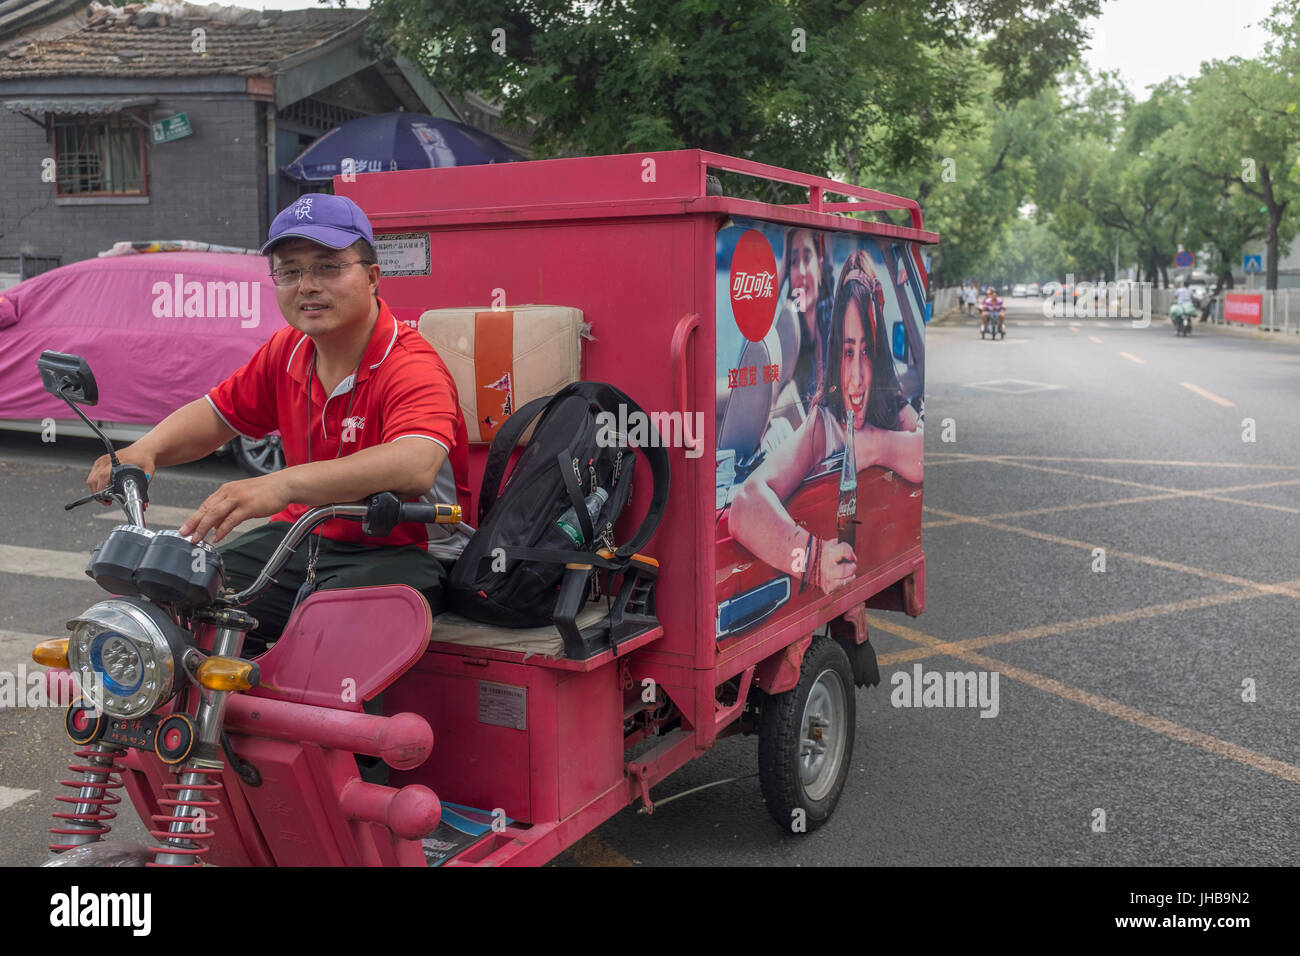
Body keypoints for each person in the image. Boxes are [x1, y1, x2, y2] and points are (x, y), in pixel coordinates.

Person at [86, 193, 471, 655]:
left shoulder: (410, 363)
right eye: (290, 270)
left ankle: (328, 726)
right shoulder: (287, 350)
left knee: (331, 627)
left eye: (328, 267)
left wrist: (282, 485)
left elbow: (415, 463)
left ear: (371, 278)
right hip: (305, 536)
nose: (307, 285)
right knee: (182, 591)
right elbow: (217, 414)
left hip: (408, 550)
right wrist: (145, 450)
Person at [729, 250, 922, 594]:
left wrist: (875, 444)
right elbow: (745, 505)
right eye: (849, 352)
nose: (857, 379)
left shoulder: (890, 404)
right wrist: (814, 561)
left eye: (867, 351)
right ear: (836, 354)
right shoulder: (825, 422)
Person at [782, 227, 836, 411]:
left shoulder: (836, 323)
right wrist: (782, 273)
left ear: (820, 268)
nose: (801, 272)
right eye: (793, 262)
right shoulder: (795, 332)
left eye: (807, 258)